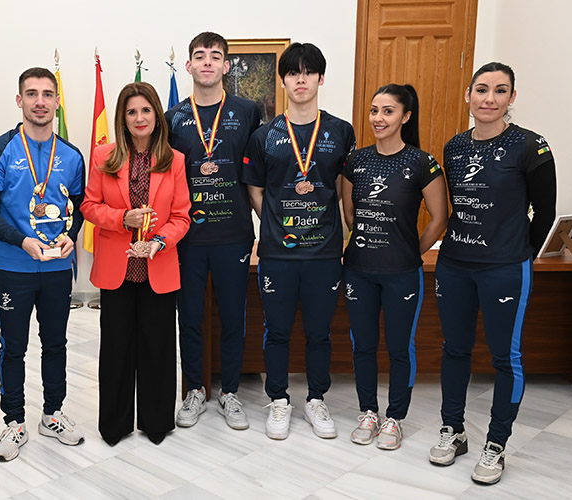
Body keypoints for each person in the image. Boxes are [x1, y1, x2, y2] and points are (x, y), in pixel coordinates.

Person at [427, 62, 556, 485]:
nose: (489, 99)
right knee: (454, 349)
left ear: (511, 98)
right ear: (468, 95)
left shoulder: (531, 146)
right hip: (455, 265)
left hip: (504, 267)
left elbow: (546, 213)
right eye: (481, 90)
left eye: (500, 91)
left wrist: (519, 257)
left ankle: (497, 443)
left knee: (506, 358)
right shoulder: (454, 147)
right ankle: (454, 430)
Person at [242, 42, 356, 440]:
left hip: (324, 252)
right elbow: (255, 189)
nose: (301, 79)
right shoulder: (264, 135)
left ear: (321, 78)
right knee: (277, 329)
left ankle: (316, 399)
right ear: (285, 80)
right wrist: (274, 223)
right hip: (278, 251)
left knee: (320, 331)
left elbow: (344, 187)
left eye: (309, 72)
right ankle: (279, 400)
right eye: (293, 73)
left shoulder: (341, 131)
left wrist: (346, 231)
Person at [0, 67, 86, 461]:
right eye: (32, 94)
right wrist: (21, 240)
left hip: (57, 268)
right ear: (19, 100)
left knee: (55, 343)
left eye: (47, 94)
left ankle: (52, 414)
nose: (40, 101)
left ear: (57, 101)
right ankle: (14, 421)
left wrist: (70, 237)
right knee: (14, 345)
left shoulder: (72, 156)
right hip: (14, 267)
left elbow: (78, 208)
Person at [81, 82, 191, 446]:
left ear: (157, 115)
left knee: (158, 347)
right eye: (132, 112)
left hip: (157, 267)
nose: (139, 118)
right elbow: (89, 206)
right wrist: (121, 219)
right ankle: (114, 425)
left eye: (146, 110)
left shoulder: (174, 160)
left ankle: (156, 421)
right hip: (117, 270)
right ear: (122, 118)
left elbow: (182, 216)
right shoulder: (104, 157)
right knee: (115, 349)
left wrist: (158, 243)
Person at [339, 84, 448, 450]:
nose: (378, 118)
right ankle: (368, 412)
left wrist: (409, 251)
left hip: (402, 272)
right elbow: (349, 214)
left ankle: (394, 418)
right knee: (363, 346)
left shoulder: (422, 162)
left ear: (406, 116)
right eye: (374, 111)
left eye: (387, 111)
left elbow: (438, 218)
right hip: (359, 269)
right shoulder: (355, 160)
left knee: (400, 347)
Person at [165, 31, 263, 430]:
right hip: (187, 235)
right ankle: (194, 390)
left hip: (234, 232)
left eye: (215, 56)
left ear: (226, 66)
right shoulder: (172, 117)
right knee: (188, 315)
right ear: (188, 65)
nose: (207, 62)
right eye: (199, 55)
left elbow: (260, 170)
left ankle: (231, 393)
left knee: (233, 317)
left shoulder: (248, 110)